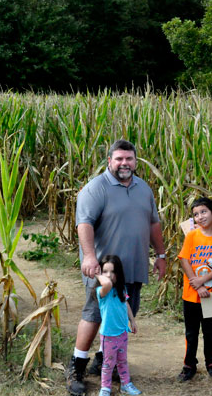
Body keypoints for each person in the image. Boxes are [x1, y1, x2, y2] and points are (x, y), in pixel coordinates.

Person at [66, 140, 167, 396]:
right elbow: (84, 224)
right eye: (119, 159)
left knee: (125, 312)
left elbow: (153, 223)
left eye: (129, 159)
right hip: (104, 269)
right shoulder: (96, 189)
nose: (124, 163)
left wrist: (161, 254)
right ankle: (76, 367)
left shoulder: (143, 188)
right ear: (109, 160)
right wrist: (89, 257)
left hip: (134, 265)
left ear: (135, 161)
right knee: (94, 315)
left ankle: (103, 362)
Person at [177, 197, 212, 382]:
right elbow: (184, 259)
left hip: (209, 296)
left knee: (209, 331)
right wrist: (196, 284)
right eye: (196, 214)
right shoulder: (192, 236)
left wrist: (203, 282)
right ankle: (189, 364)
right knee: (191, 332)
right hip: (191, 295)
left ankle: (211, 363)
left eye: (204, 212)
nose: (200, 217)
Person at [94, 255, 142, 396]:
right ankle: (105, 388)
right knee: (108, 364)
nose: (109, 275)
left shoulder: (121, 289)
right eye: (105, 271)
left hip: (122, 333)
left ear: (118, 273)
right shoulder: (102, 292)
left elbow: (125, 304)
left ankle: (126, 384)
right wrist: (97, 274)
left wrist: (132, 321)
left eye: (113, 271)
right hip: (109, 335)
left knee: (122, 361)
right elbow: (107, 284)